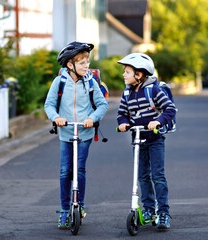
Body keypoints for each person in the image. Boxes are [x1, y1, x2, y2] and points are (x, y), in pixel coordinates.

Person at [44, 41, 108, 229]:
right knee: (65, 171)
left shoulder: (90, 81)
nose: (86, 66)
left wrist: (92, 117)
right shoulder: (60, 82)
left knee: (79, 169)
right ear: (70, 65)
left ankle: (78, 206)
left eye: (87, 62)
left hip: (84, 132)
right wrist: (56, 118)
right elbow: (48, 105)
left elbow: (102, 104)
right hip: (66, 131)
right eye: (82, 63)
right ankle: (65, 210)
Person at [116, 53, 177, 230]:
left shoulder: (153, 90)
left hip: (155, 139)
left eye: (127, 71)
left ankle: (163, 212)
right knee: (142, 176)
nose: (123, 75)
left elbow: (169, 109)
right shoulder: (126, 93)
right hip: (138, 140)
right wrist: (123, 123)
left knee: (158, 176)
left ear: (139, 74)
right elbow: (122, 114)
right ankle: (149, 210)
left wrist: (158, 121)